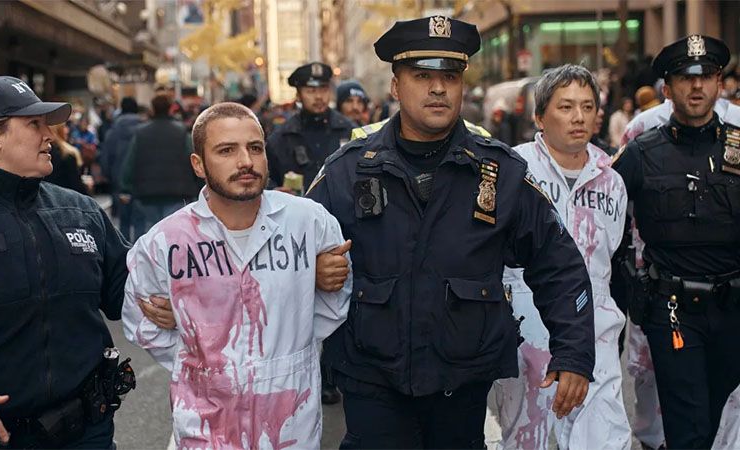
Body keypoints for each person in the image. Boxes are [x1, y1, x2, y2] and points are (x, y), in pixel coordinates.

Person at [307, 16, 595, 449]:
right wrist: (313, 271)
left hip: (461, 383)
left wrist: (573, 353)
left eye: (450, 76)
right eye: (422, 76)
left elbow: (559, 265)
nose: (439, 88)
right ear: (396, 86)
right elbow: (287, 255)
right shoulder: (346, 171)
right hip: (372, 378)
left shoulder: (501, 173)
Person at [0, 76, 166, 450]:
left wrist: (170, 292)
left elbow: (129, 290)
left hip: (86, 433)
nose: (50, 135)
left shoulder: (79, 211)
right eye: (34, 124)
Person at [122, 102, 352, 449]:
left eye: (255, 148)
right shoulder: (165, 241)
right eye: (226, 150)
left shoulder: (309, 222)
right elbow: (143, 322)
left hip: (290, 426)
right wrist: (199, 348)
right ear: (198, 164)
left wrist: (290, 334)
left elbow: (334, 303)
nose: (245, 161)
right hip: (205, 428)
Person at [492, 64, 631, 450]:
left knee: (605, 439)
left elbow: (611, 252)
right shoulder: (513, 171)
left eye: (587, 107)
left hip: (595, 331)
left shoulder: (612, 180)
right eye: (566, 107)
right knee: (526, 439)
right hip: (526, 328)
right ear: (540, 117)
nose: (579, 117)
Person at [613, 34, 740, 449]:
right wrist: (626, 291)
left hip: (733, 310)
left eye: (706, 76)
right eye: (686, 77)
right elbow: (607, 223)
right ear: (667, 88)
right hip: (672, 311)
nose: (697, 86)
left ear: (719, 83)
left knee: (718, 422)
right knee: (688, 428)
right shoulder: (641, 152)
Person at [266, 62, 354, 193]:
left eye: (323, 89)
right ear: (298, 95)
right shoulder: (282, 138)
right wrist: (275, 192)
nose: (319, 97)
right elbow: (266, 179)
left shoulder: (349, 130)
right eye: (311, 91)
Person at [120, 94, 199, 237]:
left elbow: (130, 163)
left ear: (153, 109)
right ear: (170, 108)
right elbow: (192, 160)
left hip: (146, 194)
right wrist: (198, 185)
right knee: (175, 234)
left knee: (151, 234)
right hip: (177, 192)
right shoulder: (181, 132)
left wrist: (126, 187)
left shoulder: (141, 133)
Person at [101, 96, 143, 240]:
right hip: (141, 182)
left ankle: (125, 250)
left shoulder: (112, 132)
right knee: (140, 221)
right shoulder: (143, 130)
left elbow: (106, 158)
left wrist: (109, 176)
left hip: (118, 182)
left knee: (123, 221)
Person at [45, 124, 90, 195]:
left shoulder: (44, 152)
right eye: (64, 127)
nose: (67, 130)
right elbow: (76, 186)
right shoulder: (67, 154)